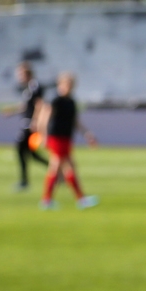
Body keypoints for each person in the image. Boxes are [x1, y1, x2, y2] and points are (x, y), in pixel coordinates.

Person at [34, 72, 99, 210]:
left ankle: (49, 200)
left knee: (60, 167)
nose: (68, 87)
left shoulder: (71, 102)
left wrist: (86, 133)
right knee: (62, 166)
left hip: (66, 138)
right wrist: (43, 136)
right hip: (56, 137)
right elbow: (43, 119)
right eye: (66, 84)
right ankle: (78, 199)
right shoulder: (54, 100)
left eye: (71, 85)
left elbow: (75, 121)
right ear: (61, 84)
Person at [5, 61, 49, 190]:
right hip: (27, 122)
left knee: (20, 148)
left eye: (20, 73)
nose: (19, 76)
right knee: (32, 153)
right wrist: (12, 111)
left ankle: (24, 181)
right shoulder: (28, 88)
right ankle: (56, 171)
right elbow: (26, 106)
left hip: (30, 124)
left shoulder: (35, 86)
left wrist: (36, 121)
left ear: (27, 73)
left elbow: (40, 104)